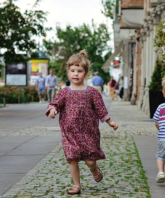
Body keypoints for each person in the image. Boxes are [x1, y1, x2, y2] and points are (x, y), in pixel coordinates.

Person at [46, 50, 119, 195]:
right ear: (68, 72)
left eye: (79, 71)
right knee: (72, 158)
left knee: (89, 160)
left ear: (85, 73)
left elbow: (101, 109)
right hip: (70, 133)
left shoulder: (92, 92)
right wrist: (53, 109)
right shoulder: (64, 92)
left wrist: (110, 122)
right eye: (72, 70)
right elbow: (55, 103)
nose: (75, 74)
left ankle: (94, 169)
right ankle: (76, 185)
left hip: (88, 133)